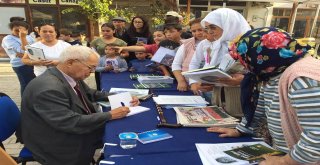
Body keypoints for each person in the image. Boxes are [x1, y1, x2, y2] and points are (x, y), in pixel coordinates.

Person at [208, 27, 320, 164]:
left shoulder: (301, 78)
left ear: (259, 56)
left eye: (245, 59)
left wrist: (284, 161)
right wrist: (241, 130)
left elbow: (317, 135)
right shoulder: (274, 71)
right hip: (291, 154)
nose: (246, 66)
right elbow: (259, 108)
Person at [21, 46, 139, 165]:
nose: (92, 71)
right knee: (121, 137)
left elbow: (91, 94)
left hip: (68, 127)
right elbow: (69, 122)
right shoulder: (49, 89)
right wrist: (110, 115)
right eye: (90, 67)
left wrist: (124, 96)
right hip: (56, 142)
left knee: (124, 131)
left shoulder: (67, 75)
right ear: (70, 63)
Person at [188, 8, 250, 111]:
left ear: (228, 24)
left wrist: (244, 79)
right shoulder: (217, 44)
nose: (210, 32)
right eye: (207, 28)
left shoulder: (248, 44)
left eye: (213, 27)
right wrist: (208, 82)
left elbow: (261, 75)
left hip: (240, 99)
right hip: (219, 98)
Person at [1, 19, 36, 96]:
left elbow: (35, 49)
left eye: (22, 30)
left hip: (32, 63)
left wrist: (26, 53)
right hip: (20, 65)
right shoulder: (8, 39)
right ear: (11, 29)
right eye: (16, 30)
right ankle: (25, 104)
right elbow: (23, 50)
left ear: (26, 30)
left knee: (34, 84)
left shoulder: (29, 37)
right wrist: (22, 38)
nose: (19, 32)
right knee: (26, 85)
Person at [90, 22, 127, 90]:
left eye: (108, 31)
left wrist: (122, 56)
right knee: (100, 85)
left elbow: (126, 53)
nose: (105, 32)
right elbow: (91, 52)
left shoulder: (121, 42)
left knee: (118, 85)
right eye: (103, 31)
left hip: (117, 67)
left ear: (113, 31)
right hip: (101, 65)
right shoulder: (95, 41)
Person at [172, 18, 205, 91]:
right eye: (194, 31)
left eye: (200, 30)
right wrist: (181, 81)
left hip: (207, 86)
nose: (197, 33)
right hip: (188, 85)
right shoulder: (186, 44)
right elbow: (176, 64)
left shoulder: (216, 44)